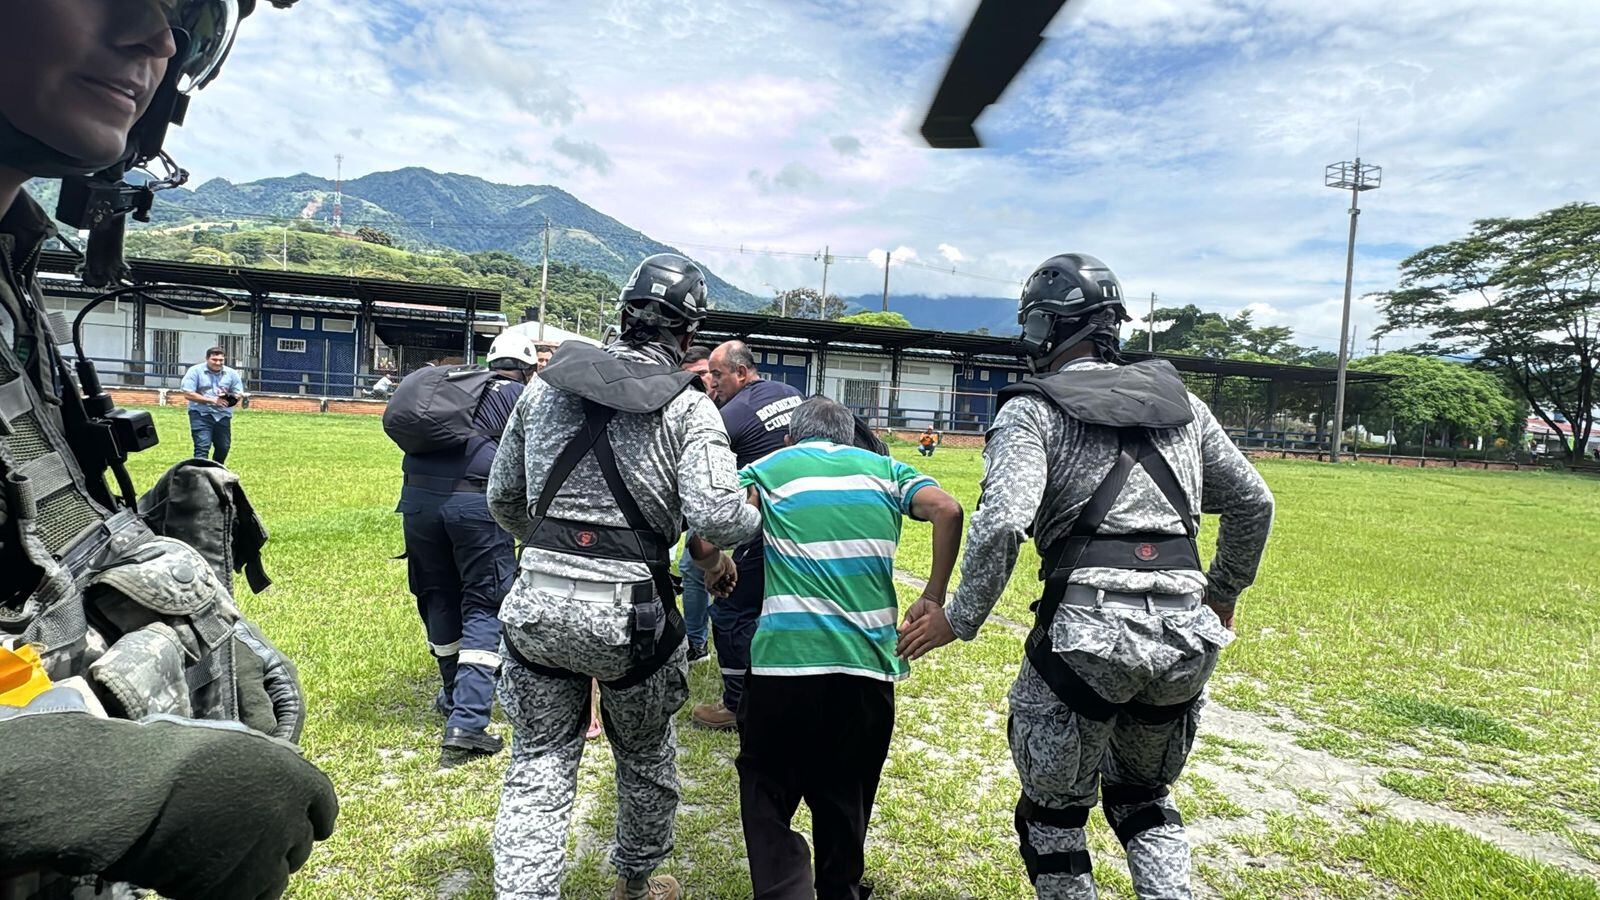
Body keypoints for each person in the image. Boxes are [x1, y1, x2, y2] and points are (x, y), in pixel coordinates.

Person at [0, 2, 337, 899]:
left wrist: (195, 619)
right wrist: (69, 785)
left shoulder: (14, 278)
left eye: (193, 16)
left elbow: (47, 532)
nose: (158, 41)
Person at [897, 254, 1275, 899]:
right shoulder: (1185, 405)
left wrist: (957, 617)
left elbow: (1002, 521)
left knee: (1054, 819)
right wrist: (1221, 593)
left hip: (1083, 638)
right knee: (1143, 799)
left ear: (1046, 327)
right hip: (1186, 636)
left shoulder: (1032, 410)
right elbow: (1253, 502)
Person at [487, 253, 760, 900]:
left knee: (538, 762)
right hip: (632, 616)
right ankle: (634, 885)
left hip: (537, 603)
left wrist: (555, 544)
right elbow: (717, 517)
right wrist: (752, 512)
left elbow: (503, 498)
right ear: (689, 335)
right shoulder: (689, 408)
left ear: (620, 315)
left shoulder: (544, 388)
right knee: (642, 756)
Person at [732, 397, 963, 899]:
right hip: (867, 667)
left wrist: (714, 565)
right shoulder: (888, 470)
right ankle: (841, 889)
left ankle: (785, 889)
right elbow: (948, 509)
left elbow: (714, 532)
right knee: (846, 790)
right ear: (849, 436)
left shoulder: (770, 466)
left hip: (784, 665)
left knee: (765, 784)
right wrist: (933, 595)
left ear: (791, 438)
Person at [395, 331, 536, 765]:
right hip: (475, 503)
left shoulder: (453, 387)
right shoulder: (518, 395)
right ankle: (468, 722)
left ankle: (452, 692)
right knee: (484, 604)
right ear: (528, 369)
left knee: (438, 594)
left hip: (417, 501)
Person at [692, 340, 804, 730]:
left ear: (741, 373)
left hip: (758, 524)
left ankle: (737, 705)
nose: (711, 383)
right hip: (800, 523)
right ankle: (785, 692)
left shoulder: (729, 414)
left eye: (717, 374)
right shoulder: (790, 393)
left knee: (731, 609)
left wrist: (713, 551)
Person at [677, 344, 716, 663]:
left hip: (739, 503)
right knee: (691, 567)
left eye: (704, 373)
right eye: (691, 376)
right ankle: (696, 642)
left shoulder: (731, 405)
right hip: (695, 503)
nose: (701, 381)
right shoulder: (680, 409)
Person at [180, 345, 246, 464]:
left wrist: (229, 397)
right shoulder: (195, 371)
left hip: (222, 415)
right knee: (202, 446)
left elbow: (238, 393)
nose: (218, 363)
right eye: (214, 360)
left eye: (221, 360)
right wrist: (212, 400)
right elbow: (188, 394)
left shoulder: (231, 373)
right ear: (207, 358)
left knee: (223, 447)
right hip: (200, 414)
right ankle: (199, 473)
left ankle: (216, 471)